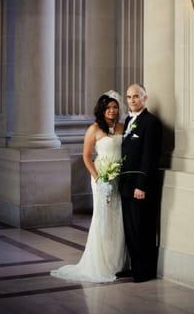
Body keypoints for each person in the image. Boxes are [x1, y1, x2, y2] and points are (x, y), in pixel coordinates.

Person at [51, 91, 126, 283]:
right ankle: (102, 263)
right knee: (103, 218)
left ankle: (118, 263)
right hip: (101, 178)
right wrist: (99, 179)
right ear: (102, 110)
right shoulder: (94, 129)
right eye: (108, 107)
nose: (112, 110)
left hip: (119, 178)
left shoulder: (122, 127)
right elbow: (86, 156)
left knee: (119, 218)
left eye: (115, 107)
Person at [118, 84, 162, 283]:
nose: (132, 100)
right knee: (130, 229)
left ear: (145, 98)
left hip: (139, 186)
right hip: (125, 184)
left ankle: (145, 271)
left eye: (136, 96)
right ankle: (135, 267)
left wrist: (141, 185)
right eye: (128, 97)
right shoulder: (128, 120)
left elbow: (149, 157)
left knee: (142, 228)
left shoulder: (150, 122)